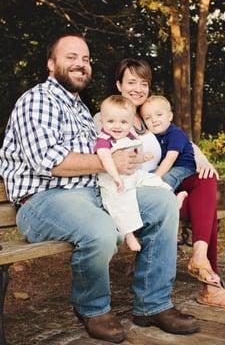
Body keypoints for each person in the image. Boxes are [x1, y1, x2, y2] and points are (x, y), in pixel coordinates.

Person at [0, 33, 201, 344]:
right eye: (71, 57)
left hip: (93, 194)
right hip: (43, 202)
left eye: (86, 59)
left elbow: (109, 154)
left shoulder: (80, 108)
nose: (81, 64)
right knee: (101, 229)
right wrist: (109, 161)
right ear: (51, 64)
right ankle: (93, 308)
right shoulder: (37, 100)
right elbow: (49, 162)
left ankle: (153, 304)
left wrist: (130, 160)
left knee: (162, 202)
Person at [114, 57, 225, 310]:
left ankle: (200, 258)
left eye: (143, 83)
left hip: (165, 194)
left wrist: (203, 160)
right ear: (119, 85)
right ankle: (212, 286)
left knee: (205, 181)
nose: (137, 88)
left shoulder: (149, 117)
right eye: (131, 82)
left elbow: (182, 144)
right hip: (135, 198)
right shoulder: (109, 117)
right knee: (206, 213)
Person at [95, 94, 183, 252]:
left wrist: (143, 158)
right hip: (112, 179)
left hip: (132, 174)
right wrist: (116, 177)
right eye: (111, 121)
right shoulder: (103, 140)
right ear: (102, 121)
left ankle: (172, 195)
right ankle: (129, 234)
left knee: (152, 179)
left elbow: (132, 156)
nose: (117, 126)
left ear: (130, 123)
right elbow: (105, 159)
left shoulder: (128, 135)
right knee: (121, 201)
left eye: (123, 122)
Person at [140, 95, 196, 191]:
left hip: (183, 168)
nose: (154, 120)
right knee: (146, 175)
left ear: (169, 116)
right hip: (168, 167)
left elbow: (170, 158)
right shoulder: (154, 136)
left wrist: (155, 177)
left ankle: (175, 199)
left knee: (166, 179)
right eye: (148, 118)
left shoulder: (176, 134)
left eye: (159, 115)